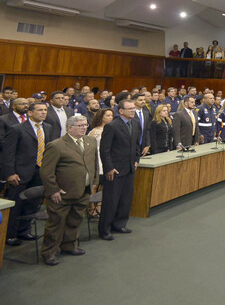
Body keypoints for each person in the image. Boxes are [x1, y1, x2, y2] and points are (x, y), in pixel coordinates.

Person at [38, 114, 99, 265]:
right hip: (62, 194)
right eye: (80, 125)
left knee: (75, 220)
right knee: (56, 224)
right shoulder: (56, 145)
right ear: (69, 127)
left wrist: (94, 182)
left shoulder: (90, 141)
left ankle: (69, 246)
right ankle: (49, 253)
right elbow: (46, 171)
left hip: (83, 190)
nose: (84, 128)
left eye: (85, 125)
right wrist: (53, 190)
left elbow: (94, 164)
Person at [3, 102, 58, 245]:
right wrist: (10, 173)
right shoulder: (17, 129)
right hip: (20, 173)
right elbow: (8, 154)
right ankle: (10, 235)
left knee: (33, 204)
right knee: (16, 205)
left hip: (40, 171)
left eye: (45, 110)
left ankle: (24, 231)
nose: (43, 112)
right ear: (30, 113)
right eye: (40, 110)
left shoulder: (48, 127)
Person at [98, 98, 141, 240]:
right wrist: (109, 168)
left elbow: (136, 145)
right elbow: (105, 150)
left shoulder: (135, 123)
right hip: (115, 169)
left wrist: (136, 160)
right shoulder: (112, 126)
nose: (133, 111)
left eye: (134, 108)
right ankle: (105, 229)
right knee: (111, 200)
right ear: (121, 111)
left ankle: (119, 224)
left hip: (129, 167)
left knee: (125, 199)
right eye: (130, 109)